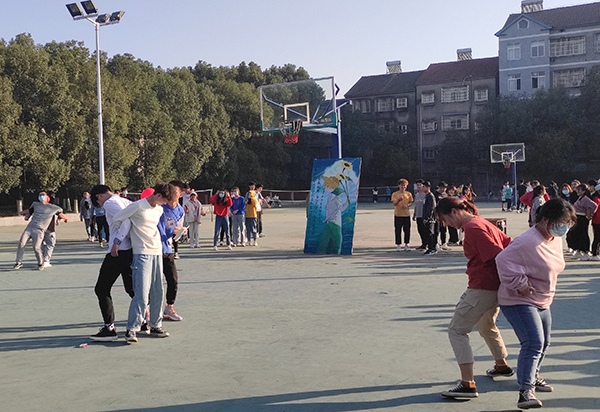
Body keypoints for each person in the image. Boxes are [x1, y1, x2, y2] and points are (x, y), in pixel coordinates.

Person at [495, 198, 576, 409]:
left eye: (568, 223)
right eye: (562, 222)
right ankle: (526, 391)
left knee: (544, 342)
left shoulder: (553, 238)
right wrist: (519, 284)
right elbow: (503, 260)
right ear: (545, 220)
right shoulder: (527, 241)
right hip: (519, 300)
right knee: (533, 343)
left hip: (543, 299)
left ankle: (533, 375)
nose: (565, 227)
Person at [436, 197, 514, 399]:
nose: (446, 224)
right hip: (494, 287)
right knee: (485, 324)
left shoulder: (473, 228)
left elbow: (497, 255)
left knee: (457, 330)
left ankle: (467, 383)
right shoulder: (482, 222)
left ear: (455, 212)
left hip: (482, 287)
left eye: (445, 219)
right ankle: (501, 364)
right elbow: (508, 244)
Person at [112, 182, 173, 343]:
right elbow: (118, 219)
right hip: (141, 253)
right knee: (141, 293)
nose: (165, 204)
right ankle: (132, 328)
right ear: (158, 195)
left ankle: (155, 325)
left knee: (158, 291)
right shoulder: (137, 206)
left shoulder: (159, 210)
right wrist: (122, 239)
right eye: (164, 200)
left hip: (157, 252)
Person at [88, 185, 136, 342]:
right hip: (130, 250)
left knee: (101, 289)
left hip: (118, 251)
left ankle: (109, 328)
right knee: (132, 288)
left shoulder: (109, 203)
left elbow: (126, 222)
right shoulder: (125, 201)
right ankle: (144, 320)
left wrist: (117, 241)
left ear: (98, 197)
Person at [158, 180, 186, 322]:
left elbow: (174, 228)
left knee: (173, 279)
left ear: (180, 194)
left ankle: (169, 308)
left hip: (167, 249)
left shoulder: (180, 210)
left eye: (173, 191)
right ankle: (147, 311)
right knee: (153, 282)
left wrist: (180, 232)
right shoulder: (159, 207)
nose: (169, 193)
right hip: (154, 249)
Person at [14, 191, 63, 271]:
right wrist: (26, 215)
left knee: (37, 247)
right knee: (21, 243)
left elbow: (60, 213)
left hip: (40, 230)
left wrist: (61, 219)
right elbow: (30, 210)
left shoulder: (53, 207)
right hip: (30, 228)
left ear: (47, 197)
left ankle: (41, 263)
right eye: (40, 195)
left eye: (43, 195)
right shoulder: (35, 204)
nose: (41, 196)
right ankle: (18, 262)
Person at [570, 183, 598, 260]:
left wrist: (590, 214)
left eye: (579, 190)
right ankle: (579, 251)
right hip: (577, 217)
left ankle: (586, 252)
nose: (577, 191)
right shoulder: (580, 198)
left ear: (584, 191)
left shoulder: (585, 198)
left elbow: (594, 206)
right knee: (577, 235)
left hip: (582, 218)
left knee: (583, 235)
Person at [391, 179, 413, 252]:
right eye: (401, 185)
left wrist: (407, 205)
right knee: (398, 230)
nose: (403, 187)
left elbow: (411, 202)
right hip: (398, 214)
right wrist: (399, 200)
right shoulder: (395, 194)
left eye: (404, 185)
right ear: (398, 185)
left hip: (406, 214)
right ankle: (398, 245)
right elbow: (394, 203)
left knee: (407, 230)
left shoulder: (408, 194)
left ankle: (406, 244)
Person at [421, 181, 437, 256]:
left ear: (428, 187)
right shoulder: (426, 196)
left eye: (423, 187)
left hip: (430, 219)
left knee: (430, 233)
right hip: (426, 218)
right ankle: (430, 248)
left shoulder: (430, 196)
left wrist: (427, 217)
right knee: (427, 233)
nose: (422, 188)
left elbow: (431, 208)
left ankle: (432, 249)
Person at [434, 182, 449, 250]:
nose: (443, 189)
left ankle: (444, 243)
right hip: (437, 214)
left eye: (444, 188)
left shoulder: (446, 195)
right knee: (436, 230)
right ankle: (436, 243)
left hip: (444, 215)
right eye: (441, 188)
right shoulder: (435, 194)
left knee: (444, 230)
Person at [412, 179, 427, 250]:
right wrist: (414, 214)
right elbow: (416, 205)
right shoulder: (417, 195)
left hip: (424, 215)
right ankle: (423, 243)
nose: (419, 186)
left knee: (425, 230)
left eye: (420, 185)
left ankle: (427, 243)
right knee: (420, 230)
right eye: (417, 185)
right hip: (418, 215)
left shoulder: (426, 195)